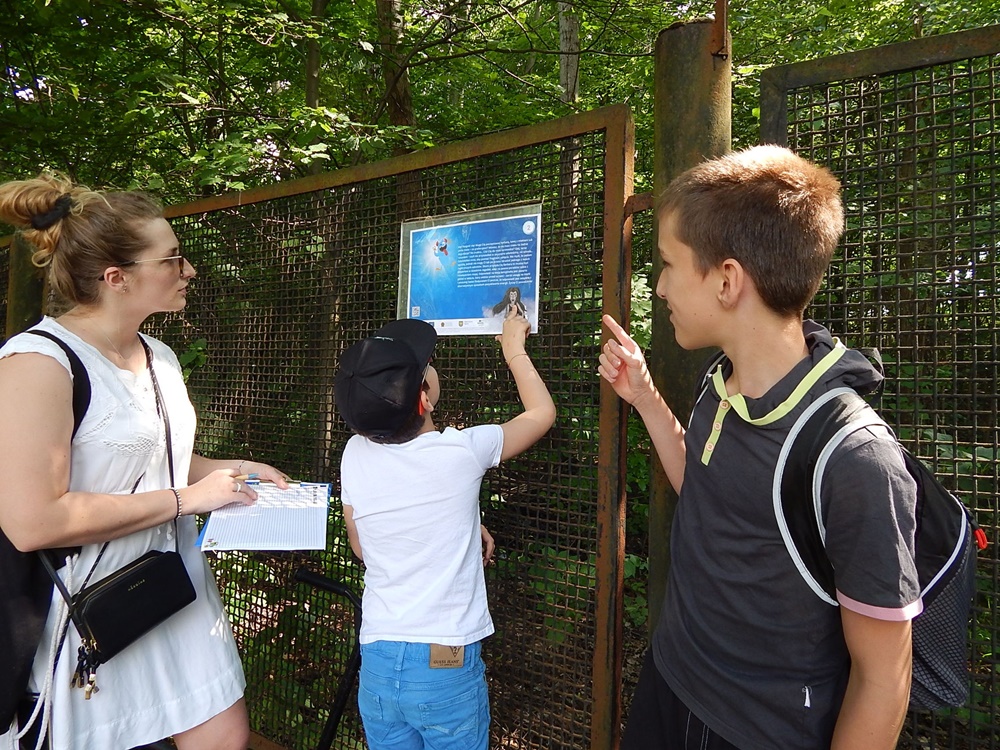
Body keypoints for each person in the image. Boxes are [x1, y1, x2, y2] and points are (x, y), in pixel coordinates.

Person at [599, 145, 919, 750]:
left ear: (726, 280)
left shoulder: (854, 457)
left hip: (757, 731)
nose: (659, 286)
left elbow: (883, 679)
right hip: (670, 684)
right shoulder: (719, 385)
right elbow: (706, 488)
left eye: (668, 264)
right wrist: (642, 395)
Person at [0, 174, 292, 750]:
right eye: (173, 260)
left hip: (175, 585)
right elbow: (31, 521)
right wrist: (189, 501)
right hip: (90, 606)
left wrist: (231, 468)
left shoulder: (157, 354)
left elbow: (157, 462)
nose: (189, 271)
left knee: (224, 736)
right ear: (117, 278)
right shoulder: (37, 363)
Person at [334, 311, 555, 750]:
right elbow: (541, 413)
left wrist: (463, 522)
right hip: (443, 661)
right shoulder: (462, 451)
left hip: (378, 659)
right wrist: (513, 348)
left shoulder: (354, 452)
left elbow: (362, 546)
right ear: (425, 399)